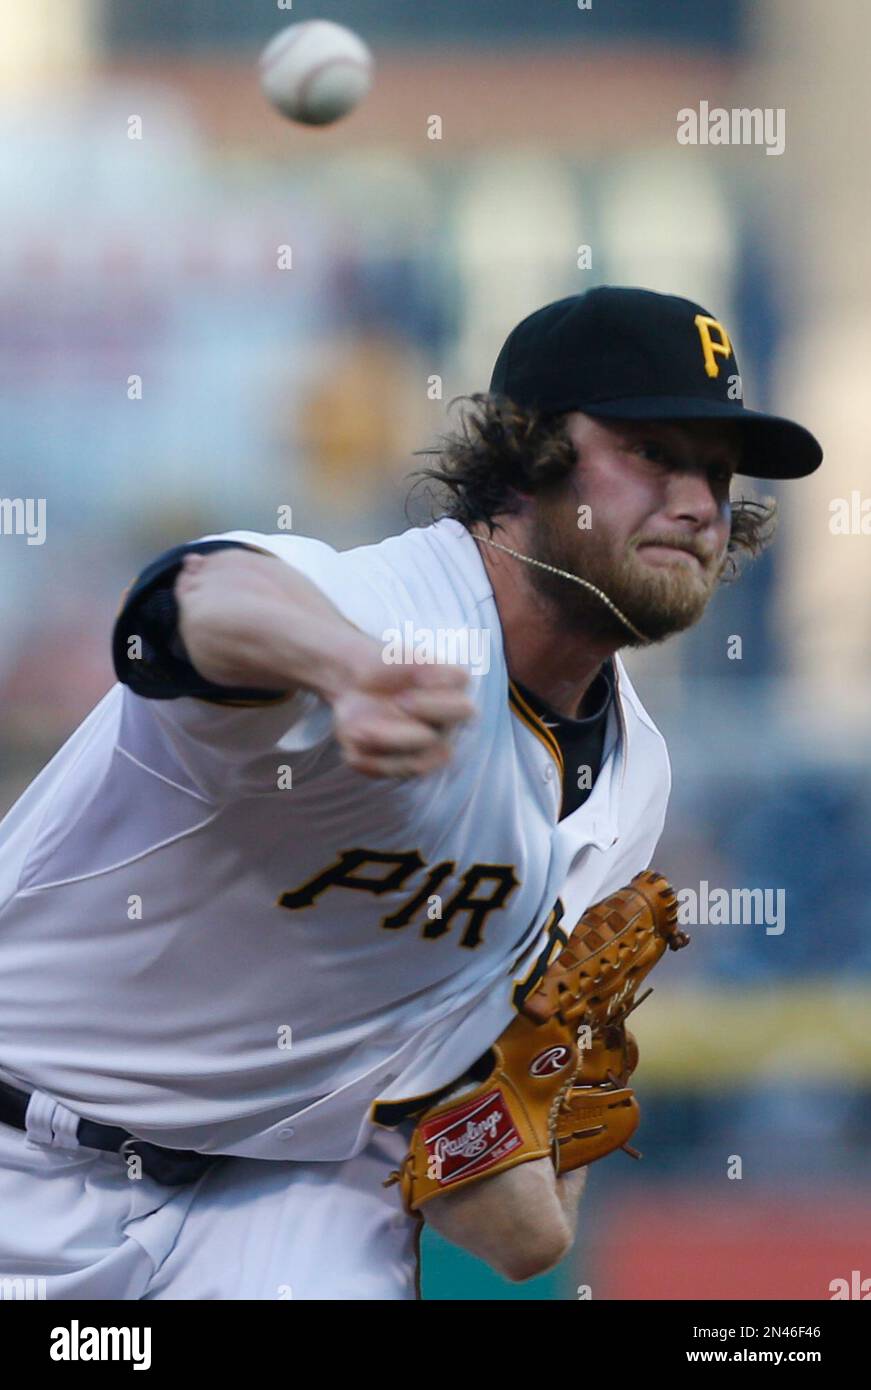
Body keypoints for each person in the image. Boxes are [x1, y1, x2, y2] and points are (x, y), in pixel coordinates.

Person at [0, 287, 822, 1299]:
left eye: (713, 467)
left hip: (293, 1189)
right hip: (25, 1148)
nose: (697, 501)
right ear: (526, 454)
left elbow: (522, 1235)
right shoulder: (391, 610)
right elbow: (185, 602)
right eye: (652, 450)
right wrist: (340, 665)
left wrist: (502, 1119)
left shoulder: (631, 779)